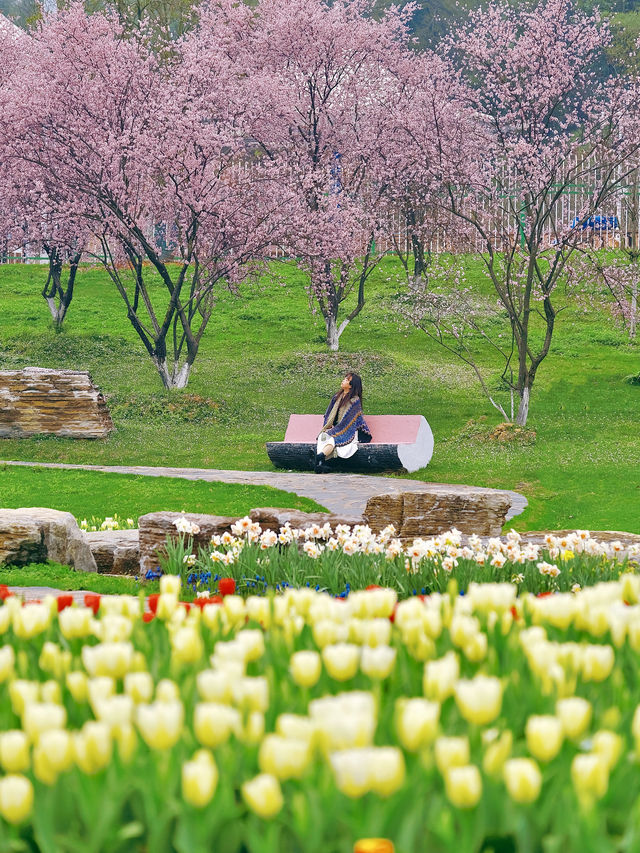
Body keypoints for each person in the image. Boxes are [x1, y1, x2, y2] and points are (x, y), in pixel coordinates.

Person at [314, 372, 371, 473]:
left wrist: (335, 430)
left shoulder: (355, 401)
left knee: (331, 438)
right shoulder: (337, 397)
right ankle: (320, 462)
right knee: (324, 437)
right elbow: (328, 414)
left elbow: (348, 422)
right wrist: (328, 426)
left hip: (348, 431)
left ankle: (320, 458)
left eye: (346, 380)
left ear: (351, 385)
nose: (343, 380)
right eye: (345, 378)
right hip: (335, 429)